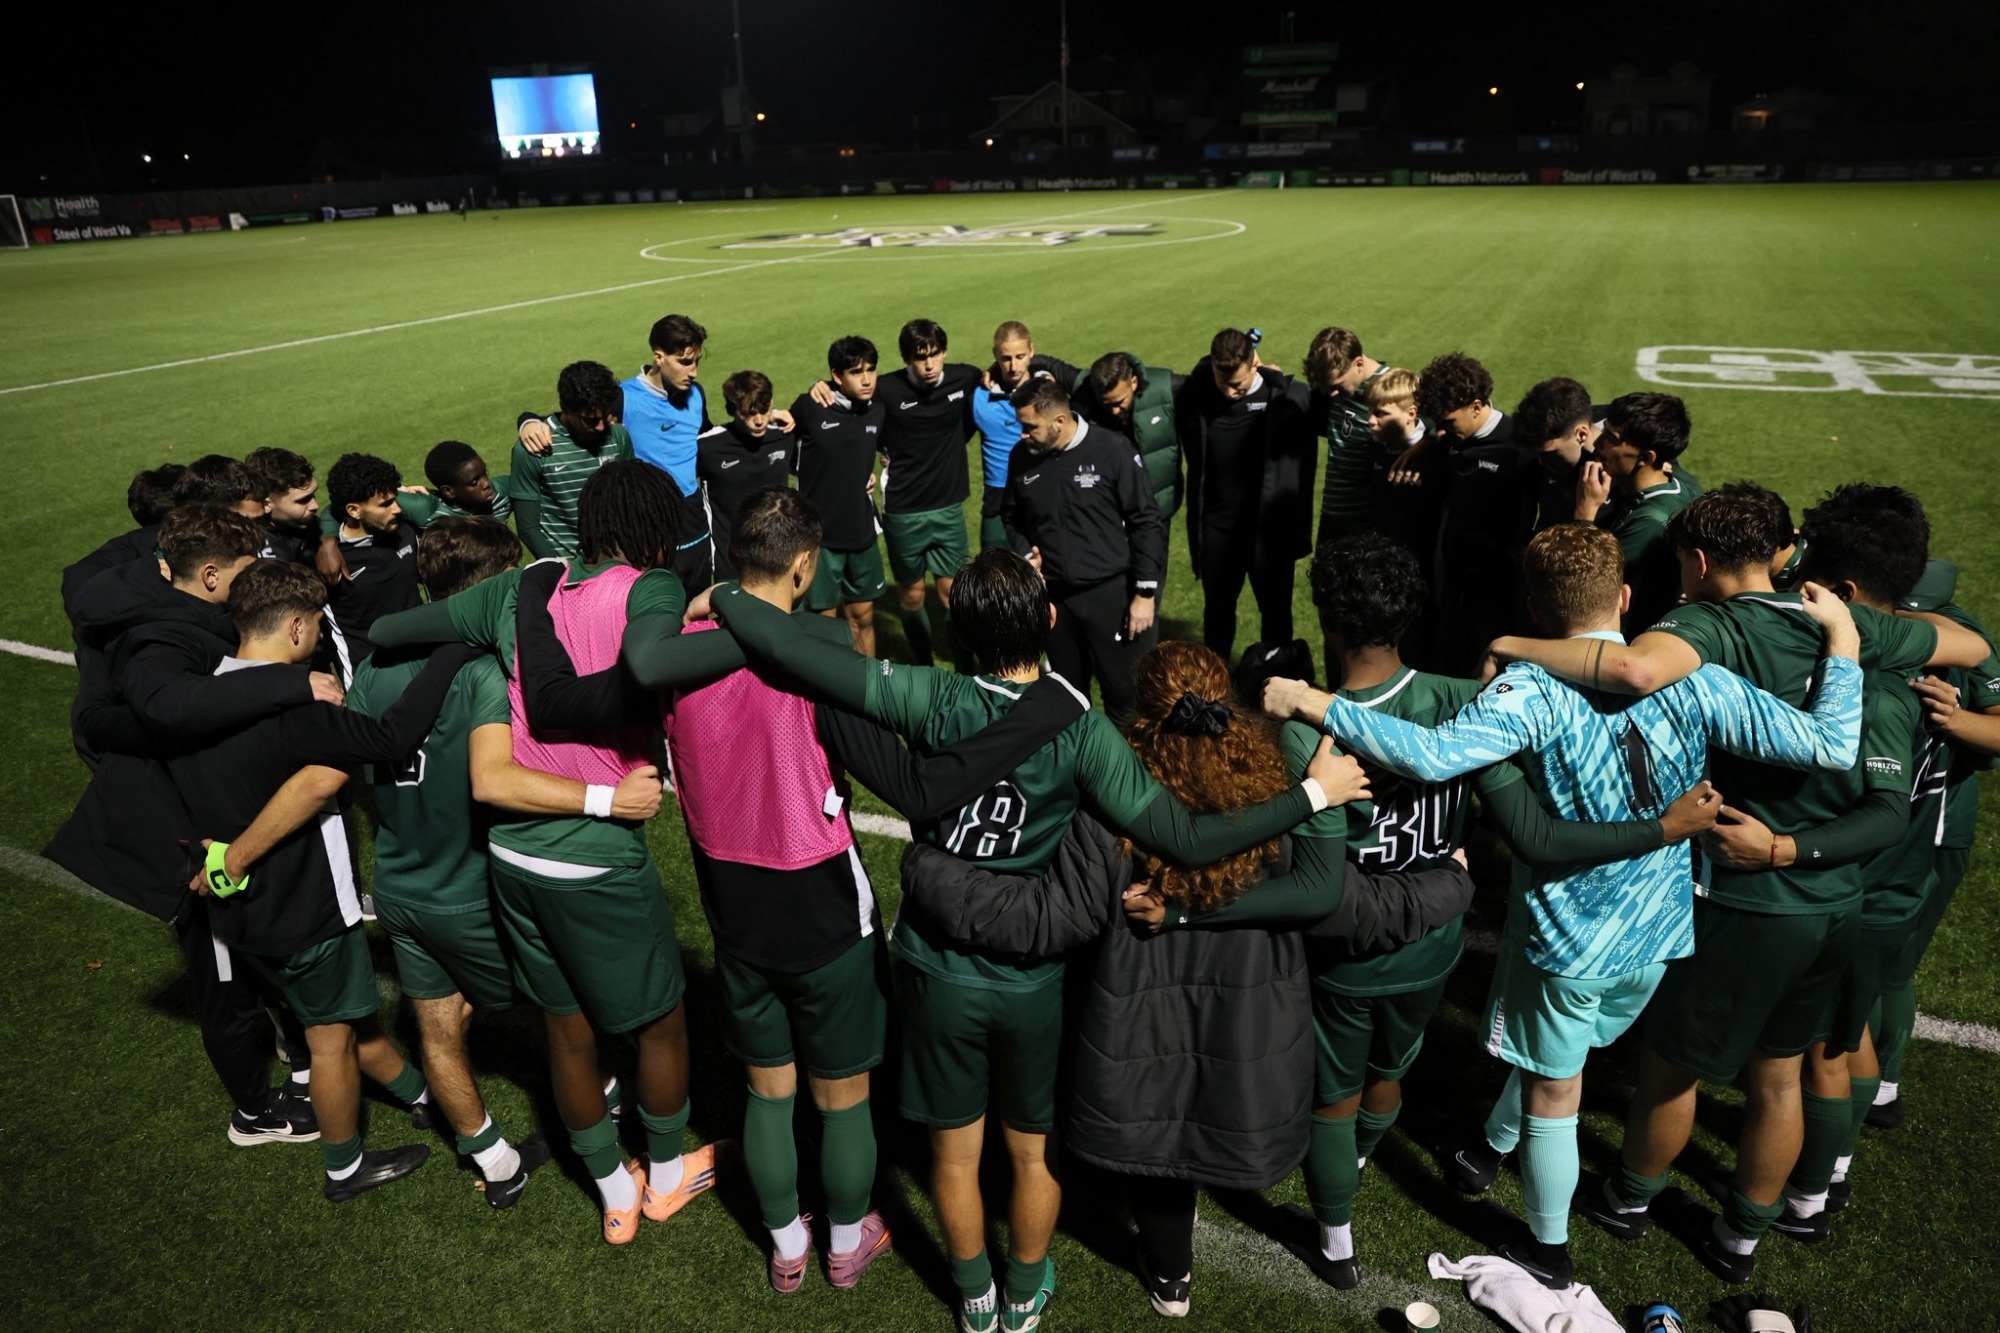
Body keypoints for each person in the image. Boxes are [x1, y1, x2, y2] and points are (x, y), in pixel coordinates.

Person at [709, 548, 1356, 1333]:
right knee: (1029, 1149)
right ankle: (1023, 1293)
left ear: (958, 627)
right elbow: (1185, 837)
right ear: (1049, 619)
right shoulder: (1081, 729)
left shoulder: (930, 693)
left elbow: (792, 650)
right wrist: (1316, 792)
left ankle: (974, 1297)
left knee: (952, 1155)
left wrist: (725, 596)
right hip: (1030, 979)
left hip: (937, 965)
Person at [510, 487, 1096, 1293]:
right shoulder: (820, 652)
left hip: (730, 897)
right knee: (843, 1093)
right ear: (806, 564)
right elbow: (901, 775)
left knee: (767, 1087)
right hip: (819, 892)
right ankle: (847, 1242)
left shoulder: (678, 650)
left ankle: (786, 1244)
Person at [1273, 522, 1867, 1288]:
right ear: (1622, 596)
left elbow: (1425, 755)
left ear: (1533, 604)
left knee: (1558, 1087)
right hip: (1659, 928)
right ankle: (1488, 1148)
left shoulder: (1526, 690)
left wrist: (1313, 700)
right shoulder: (1697, 673)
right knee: (1566, 1057)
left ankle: (1546, 1247)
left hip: (1569, 938)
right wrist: (1844, 642)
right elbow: (1829, 744)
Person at [1484, 484, 1989, 1283]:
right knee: (1781, 1069)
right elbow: (1966, 645)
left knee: (1671, 1063)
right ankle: (1749, 1230)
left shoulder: (1701, 623)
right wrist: (1851, 633)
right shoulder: (1830, 617)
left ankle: (1629, 1198)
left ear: (1698, 558)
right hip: (1839, 891)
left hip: (1750, 887)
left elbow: (1631, 668)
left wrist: (1512, 642)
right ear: (1783, 553)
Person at [898, 641, 1476, 1319]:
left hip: (1137, 1020)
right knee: (1209, 1127)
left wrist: (931, 867)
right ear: (1224, 702)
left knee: (1160, 1145)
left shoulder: (1111, 796)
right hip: (1248, 1022)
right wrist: (1454, 884)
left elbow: (1057, 915)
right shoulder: (1279, 790)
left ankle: (1171, 1276)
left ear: (1144, 716)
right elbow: (1353, 905)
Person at [369, 460, 724, 1245]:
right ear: (656, 532)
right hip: (594, 851)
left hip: (514, 855)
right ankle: (666, 1175)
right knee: (662, 1023)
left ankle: (611, 1191)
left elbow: (392, 632)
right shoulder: (649, 586)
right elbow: (653, 661)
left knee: (567, 1029)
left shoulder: (521, 586)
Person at [346, 517, 657, 1209]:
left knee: (436, 1027)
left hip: (398, 885)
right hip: (471, 888)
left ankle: (493, 1157)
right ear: (490, 589)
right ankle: (608, 1111)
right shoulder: (486, 671)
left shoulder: (369, 671)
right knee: (565, 1011)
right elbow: (499, 779)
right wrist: (605, 798)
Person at [177, 559, 469, 1199]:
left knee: (339, 1014)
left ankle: (420, 1097)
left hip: (239, 913)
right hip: (302, 904)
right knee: (330, 1038)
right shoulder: (297, 709)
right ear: (295, 626)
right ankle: (346, 1166)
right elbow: (392, 737)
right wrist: (451, 653)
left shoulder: (202, 693)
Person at [48, 505, 335, 1146]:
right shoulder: (159, 637)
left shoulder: (175, 615)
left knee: (247, 952)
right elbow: (167, 706)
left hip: (204, 817)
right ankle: (255, 1114)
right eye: (245, 567)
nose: (257, 573)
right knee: (220, 976)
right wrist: (289, 687)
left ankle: (295, 1049)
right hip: (180, 836)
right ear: (209, 575)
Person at [1759, 487, 1995, 1241]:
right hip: (1908, 875)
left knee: (1826, 1046)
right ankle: (1838, 1165)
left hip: (1860, 883)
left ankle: (1809, 1196)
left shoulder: (1866, 676)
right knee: (1856, 1023)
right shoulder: (1950, 644)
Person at [1001, 378, 1164, 726]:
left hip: (1112, 599)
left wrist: (1144, 593)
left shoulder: (1112, 449)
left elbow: (1147, 521)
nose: (1023, 435)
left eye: (1030, 427)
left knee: (1127, 700)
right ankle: (1082, 776)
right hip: (1055, 602)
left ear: (1059, 422)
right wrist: (1026, 557)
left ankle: (1130, 777)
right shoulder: (1022, 457)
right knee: (1069, 700)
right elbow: (1011, 517)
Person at [1175, 327, 1318, 661]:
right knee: (1218, 615)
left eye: (1237, 384)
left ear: (1255, 363)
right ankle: (1217, 690)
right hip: (1218, 529)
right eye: (1221, 381)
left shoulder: (1286, 398)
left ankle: (1277, 686)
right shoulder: (1197, 394)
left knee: (1277, 615)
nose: (1229, 392)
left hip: (1269, 532)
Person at [863, 318, 981, 662]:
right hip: (904, 511)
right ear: (906, 359)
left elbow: (996, 389)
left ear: (944, 352)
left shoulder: (966, 378)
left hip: (948, 509)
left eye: (934, 354)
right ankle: (922, 665)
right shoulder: (886, 390)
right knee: (912, 596)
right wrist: (817, 388)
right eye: (919, 358)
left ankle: (966, 667)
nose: (929, 365)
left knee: (953, 595)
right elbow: (852, 409)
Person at [1415, 352, 1538, 676]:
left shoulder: (1518, 449)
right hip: (1454, 576)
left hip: (1497, 584)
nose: (1440, 432)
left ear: (1478, 405)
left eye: (1447, 422)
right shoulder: (1448, 441)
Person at [1572, 392, 1701, 635]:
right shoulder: (1681, 482)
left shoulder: (1651, 523)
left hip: (1629, 637)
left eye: (1611, 438)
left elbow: (1581, 586)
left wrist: (1584, 512)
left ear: (1647, 457)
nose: (1597, 443)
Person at [792, 336, 888, 656]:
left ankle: (869, 694)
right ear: (837, 376)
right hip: (820, 538)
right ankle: (827, 701)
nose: (866, 379)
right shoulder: (810, 407)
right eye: (856, 372)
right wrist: (813, 385)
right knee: (824, 624)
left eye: (871, 370)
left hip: (861, 532)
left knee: (863, 617)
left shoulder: (878, 408)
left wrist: (870, 473)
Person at [511, 360, 639, 560]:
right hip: (566, 568)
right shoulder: (533, 449)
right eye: (590, 419)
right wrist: (561, 569)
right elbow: (529, 528)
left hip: (617, 563)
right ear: (565, 408)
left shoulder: (618, 436)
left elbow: (629, 499)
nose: (600, 427)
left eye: (604, 416)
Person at [970, 321, 1079, 550]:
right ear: (995, 356)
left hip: (1043, 486)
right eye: (1006, 358)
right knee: (995, 577)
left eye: (1020, 356)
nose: (1013, 366)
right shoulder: (979, 395)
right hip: (997, 496)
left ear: (1032, 351)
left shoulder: (1051, 389)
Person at [321, 452, 422, 680]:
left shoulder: (405, 532)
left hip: (424, 664)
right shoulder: (326, 561)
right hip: (371, 679)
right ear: (354, 510)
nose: (397, 508)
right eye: (385, 504)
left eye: (394, 499)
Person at [697, 369, 794, 581]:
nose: (759, 421)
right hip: (732, 563)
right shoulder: (707, 447)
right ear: (732, 409)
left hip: (782, 556)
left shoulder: (785, 435)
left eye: (764, 410)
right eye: (749, 413)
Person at [1305, 326, 1395, 548]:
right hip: (1332, 516)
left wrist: (1423, 447)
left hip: (1367, 521)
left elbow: (1433, 429)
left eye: (1335, 386)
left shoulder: (1393, 391)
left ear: (1359, 364)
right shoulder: (1335, 386)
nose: (1330, 394)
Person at [1072, 350, 1183, 523]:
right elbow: (1050, 365)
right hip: (1113, 513)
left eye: (1119, 402)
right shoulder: (1085, 393)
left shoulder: (1166, 389)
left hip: (1157, 510)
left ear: (1134, 382)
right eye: (1107, 404)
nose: (1115, 411)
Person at [1511, 377, 1601, 534]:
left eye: (1549, 454)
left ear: (1581, 434)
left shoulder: (1617, 474)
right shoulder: (1540, 457)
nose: (1541, 462)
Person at [244, 447, 322, 565]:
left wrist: (327, 539)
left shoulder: (301, 522)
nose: (315, 505)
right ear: (266, 505)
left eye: (313, 495)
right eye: (303, 500)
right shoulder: (252, 550)